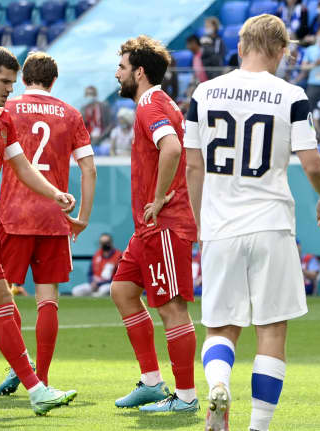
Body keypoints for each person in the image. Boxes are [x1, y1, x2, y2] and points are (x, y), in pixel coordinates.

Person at [183, 14, 320, 431]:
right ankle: (258, 427)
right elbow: (311, 163)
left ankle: (218, 384)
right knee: (271, 330)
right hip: (271, 222)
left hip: (219, 226)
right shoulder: (291, 95)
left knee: (220, 326)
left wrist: (200, 225)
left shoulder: (204, 92)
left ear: (240, 46)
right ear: (282, 51)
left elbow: (193, 167)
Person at [0, 52, 96, 390]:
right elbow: (89, 168)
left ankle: (19, 365)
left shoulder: (5, 107)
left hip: (10, 215)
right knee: (48, 299)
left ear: (23, 79)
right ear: (54, 80)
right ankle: (41, 378)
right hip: (55, 216)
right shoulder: (70, 114)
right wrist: (82, 217)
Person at [0, 45, 77, 415]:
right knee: (1, 299)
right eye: (3, 82)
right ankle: (37, 389)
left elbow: (22, 166)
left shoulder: (2, 119)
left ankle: (35, 387)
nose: (9, 89)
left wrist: (56, 193)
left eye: (12, 82)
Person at [111, 36, 199, 413]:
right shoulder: (156, 103)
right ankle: (150, 382)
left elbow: (173, 148)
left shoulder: (150, 104)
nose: (117, 74)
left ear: (140, 72)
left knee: (171, 308)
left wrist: (160, 197)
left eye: (122, 67)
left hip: (163, 223)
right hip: (148, 227)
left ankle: (186, 397)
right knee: (122, 291)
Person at [71, 233, 122, 297]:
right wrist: (92, 282)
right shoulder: (97, 255)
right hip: (94, 284)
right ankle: (91, 299)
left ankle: (94, 297)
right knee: (76, 291)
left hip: (108, 284)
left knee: (103, 291)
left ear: (111, 242)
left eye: (107, 242)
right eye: (102, 242)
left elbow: (119, 276)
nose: (105, 244)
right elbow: (90, 273)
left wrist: (100, 283)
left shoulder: (118, 255)